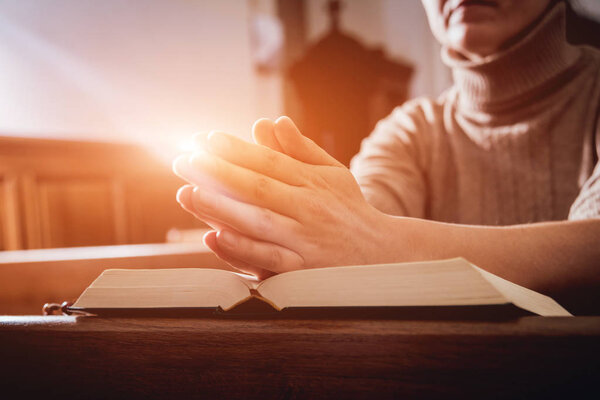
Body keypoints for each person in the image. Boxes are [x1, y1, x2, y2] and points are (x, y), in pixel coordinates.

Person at [173, 0, 600, 314]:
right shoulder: (411, 128)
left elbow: (590, 253)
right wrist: (296, 234)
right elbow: (356, 217)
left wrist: (375, 241)